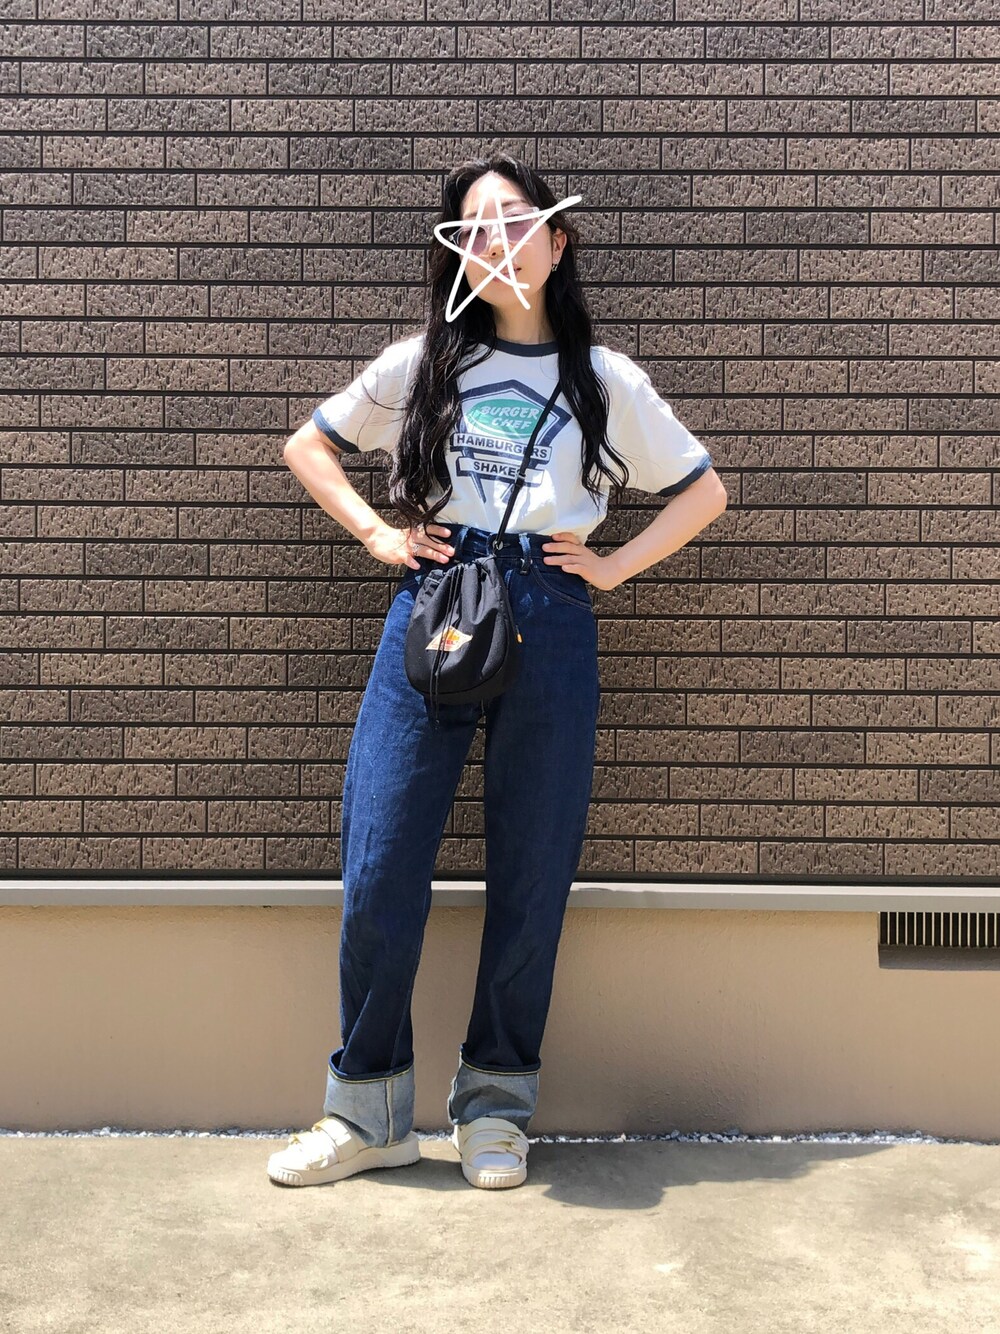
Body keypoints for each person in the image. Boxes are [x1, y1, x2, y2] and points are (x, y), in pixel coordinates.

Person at [267, 152, 728, 1192]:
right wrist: (378, 535)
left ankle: (495, 1107)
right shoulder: (422, 363)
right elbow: (309, 446)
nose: (496, 242)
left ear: (557, 241)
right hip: (436, 603)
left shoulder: (604, 379)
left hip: (550, 611)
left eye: (514, 221)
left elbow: (704, 491)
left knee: (532, 866)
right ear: (456, 254)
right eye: (473, 228)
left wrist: (610, 566)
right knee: (381, 857)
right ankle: (367, 1110)